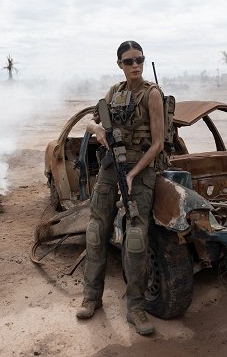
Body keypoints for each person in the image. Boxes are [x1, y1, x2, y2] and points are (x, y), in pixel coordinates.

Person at [75, 40, 166, 336]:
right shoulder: (114, 92)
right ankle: (91, 298)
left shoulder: (152, 94)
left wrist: (134, 173)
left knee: (136, 237)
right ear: (120, 65)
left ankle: (136, 308)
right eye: (129, 61)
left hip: (139, 172)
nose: (135, 65)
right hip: (111, 168)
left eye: (139, 59)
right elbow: (90, 122)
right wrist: (99, 130)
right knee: (95, 230)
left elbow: (158, 143)